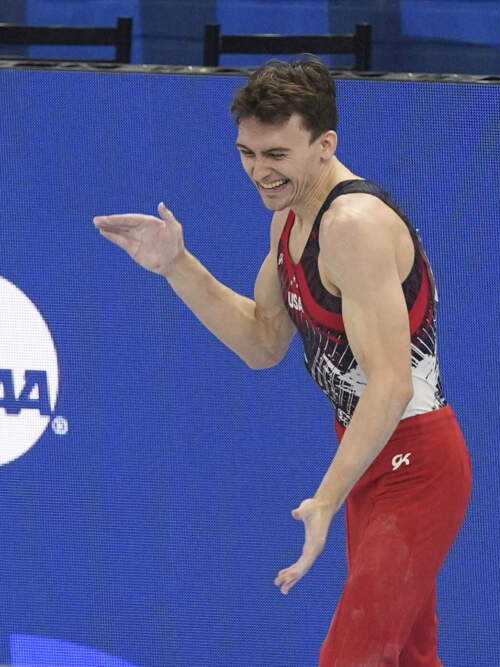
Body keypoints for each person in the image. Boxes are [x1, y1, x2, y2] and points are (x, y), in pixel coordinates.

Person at [93, 56, 472, 666]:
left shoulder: (354, 225)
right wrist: (177, 267)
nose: (259, 172)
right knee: (405, 658)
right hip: (372, 458)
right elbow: (263, 342)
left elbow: (392, 385)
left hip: (416, 466)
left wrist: (324, 500)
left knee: (350, 657)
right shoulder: (289, 221)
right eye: (248, 153)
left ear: (326, 145)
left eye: (276, 155)